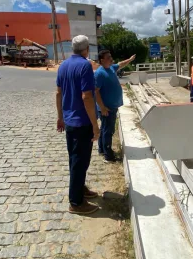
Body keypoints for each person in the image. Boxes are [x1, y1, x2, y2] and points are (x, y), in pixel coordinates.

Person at [56, 35, 100, 215]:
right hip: (82, 122)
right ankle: (75, 202)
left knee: (77, 160)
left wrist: (60, 117)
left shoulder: (63, 65)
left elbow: (58, 94)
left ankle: (80, 188)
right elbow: (87, 96)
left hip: (70, 121)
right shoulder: (85, 66)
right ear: (86, 49)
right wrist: (95, 125)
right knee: (79, 162)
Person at [94, 50, 135, 163]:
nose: (111, 59)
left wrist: (130, 59)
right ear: (102, 60)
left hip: (111, 107)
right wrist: (102, 107)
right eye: (108, 57)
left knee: (104, 129)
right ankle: (108, 156)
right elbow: (96, 91)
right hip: (107, 108)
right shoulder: (99, 73)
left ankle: (102, 149)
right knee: (108, 131)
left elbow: (121, 64)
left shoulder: (111, 68)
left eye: (111, 57)